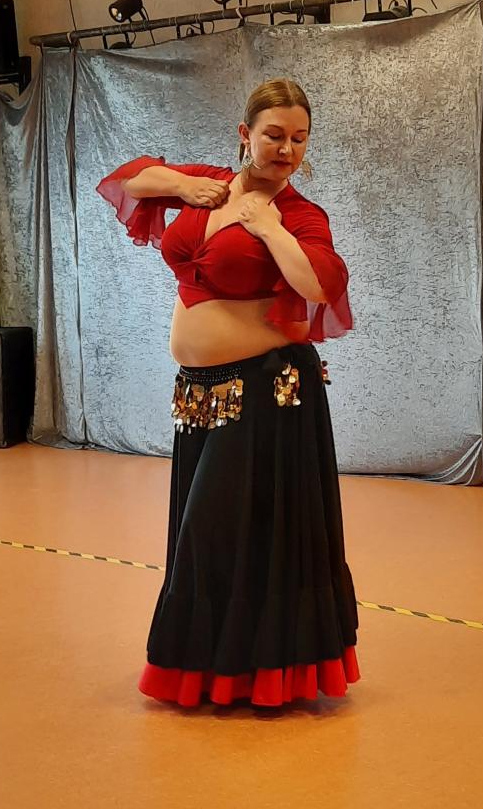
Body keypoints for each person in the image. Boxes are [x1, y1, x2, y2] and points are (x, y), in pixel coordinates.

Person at [97, 77, 359, 708]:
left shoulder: (299, 214)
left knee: (218, 527)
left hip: (267, 393)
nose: (287, 150)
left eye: (299, 138)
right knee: (214, 531)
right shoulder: (209, 184)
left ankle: (264, 672)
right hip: (201, 395)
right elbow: (128, 181)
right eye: (274, 135)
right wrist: (182, 185)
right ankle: (215, 672)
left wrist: (269, 228)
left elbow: (319, 285)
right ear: (245, 135)